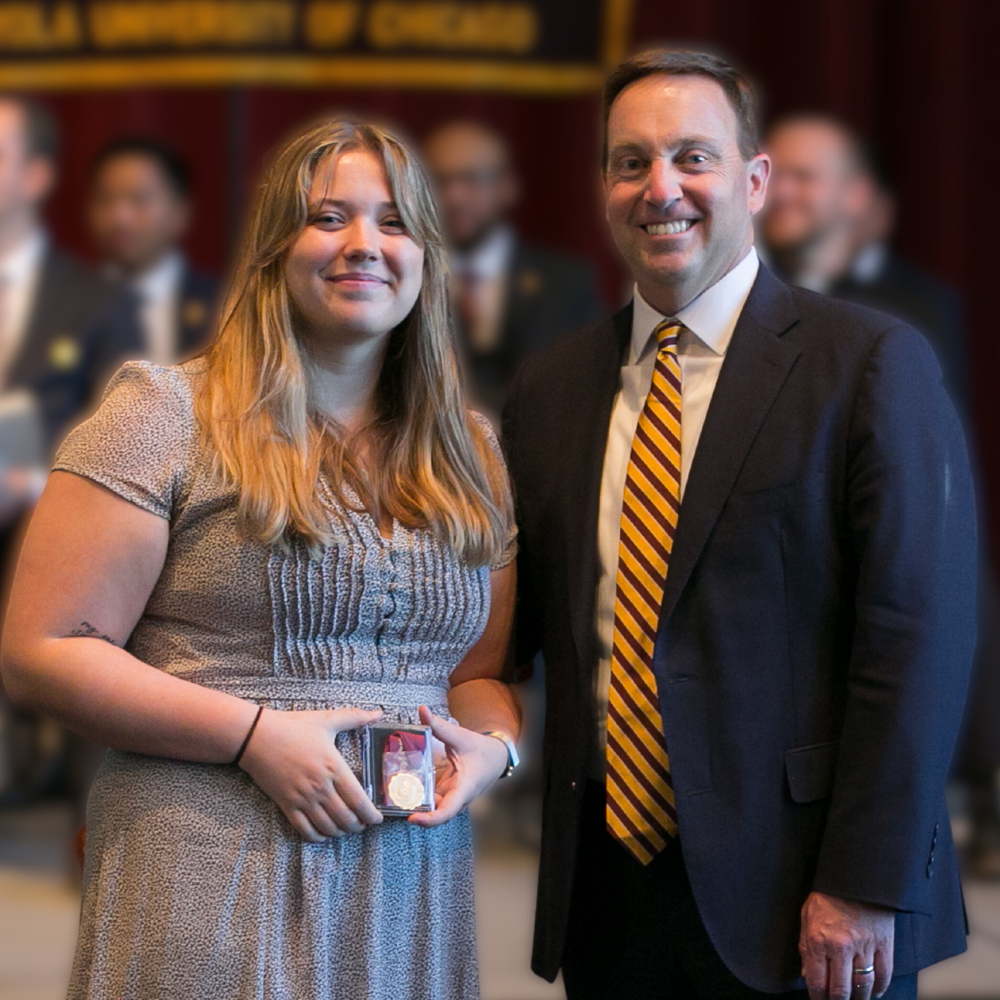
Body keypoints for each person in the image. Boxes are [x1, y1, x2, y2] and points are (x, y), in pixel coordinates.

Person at [0, 118, 522, 999]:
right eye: (329, 217)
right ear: (274, 246)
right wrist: (253, 736)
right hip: (207, 868)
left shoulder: (470, 451)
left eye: (394, 223)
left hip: (408, 888)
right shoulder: (163, 414)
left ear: (427, 257)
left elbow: (477, 674)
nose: (364, 244)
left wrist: (494, 751)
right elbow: (40, 650)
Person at [502, 50, 976, 1000]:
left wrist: (862, 884)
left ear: (754, 181)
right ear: (603, 186)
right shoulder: (549, 391)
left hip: (810, 902)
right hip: (610, 893)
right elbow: (510, 631)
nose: (660, 188)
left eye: (693, 157)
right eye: (630, 162)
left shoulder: (869, 364)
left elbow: (918, 640)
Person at [762, 113, 1000, 879]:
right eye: (780, 173)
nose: (786, 191)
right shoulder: (745, 299)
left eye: (808, 175)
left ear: (857, 196)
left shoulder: (915, 312)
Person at [0, 95, 143, 805]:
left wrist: (29, 483)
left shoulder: (92, 299)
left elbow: (120, 430)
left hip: (45, 512)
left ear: (35, 177)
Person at [760, 114, 970, 413]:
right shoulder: (746, 293)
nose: (780, 192)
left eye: (802, 176)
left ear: (856, 195)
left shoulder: (920, 309)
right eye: (772, 175)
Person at [423, 120, 604, 424]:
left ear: (508, 186)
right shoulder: (406, 280)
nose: (454, 196)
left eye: (471, 179)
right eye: (438, 180)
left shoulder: (566, 285)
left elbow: (586, 390)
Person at [88, 136, 220, 365]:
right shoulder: (71, 304)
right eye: (106, 199)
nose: (120, 218)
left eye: (139, 199)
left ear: (180, 213)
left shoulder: (222, 303)